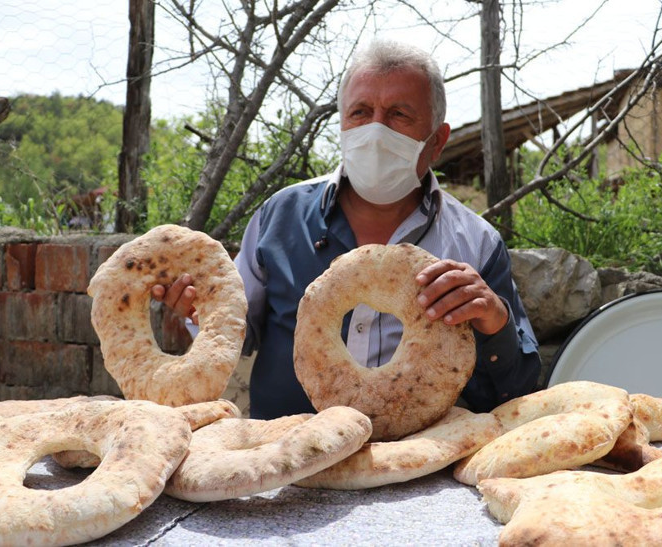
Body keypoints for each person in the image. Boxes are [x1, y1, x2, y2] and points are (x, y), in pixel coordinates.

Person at [154, 40, 541, 419]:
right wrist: (198, 307)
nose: (375, 131)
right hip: (285, 451)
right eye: (360, 112)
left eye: (398, 115)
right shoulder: (280, 217)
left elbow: (516, 392)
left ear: (437, 140)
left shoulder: (475, 243)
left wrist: (495, 320)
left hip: (417, 457)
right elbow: (234, 332)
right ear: (341, 125)